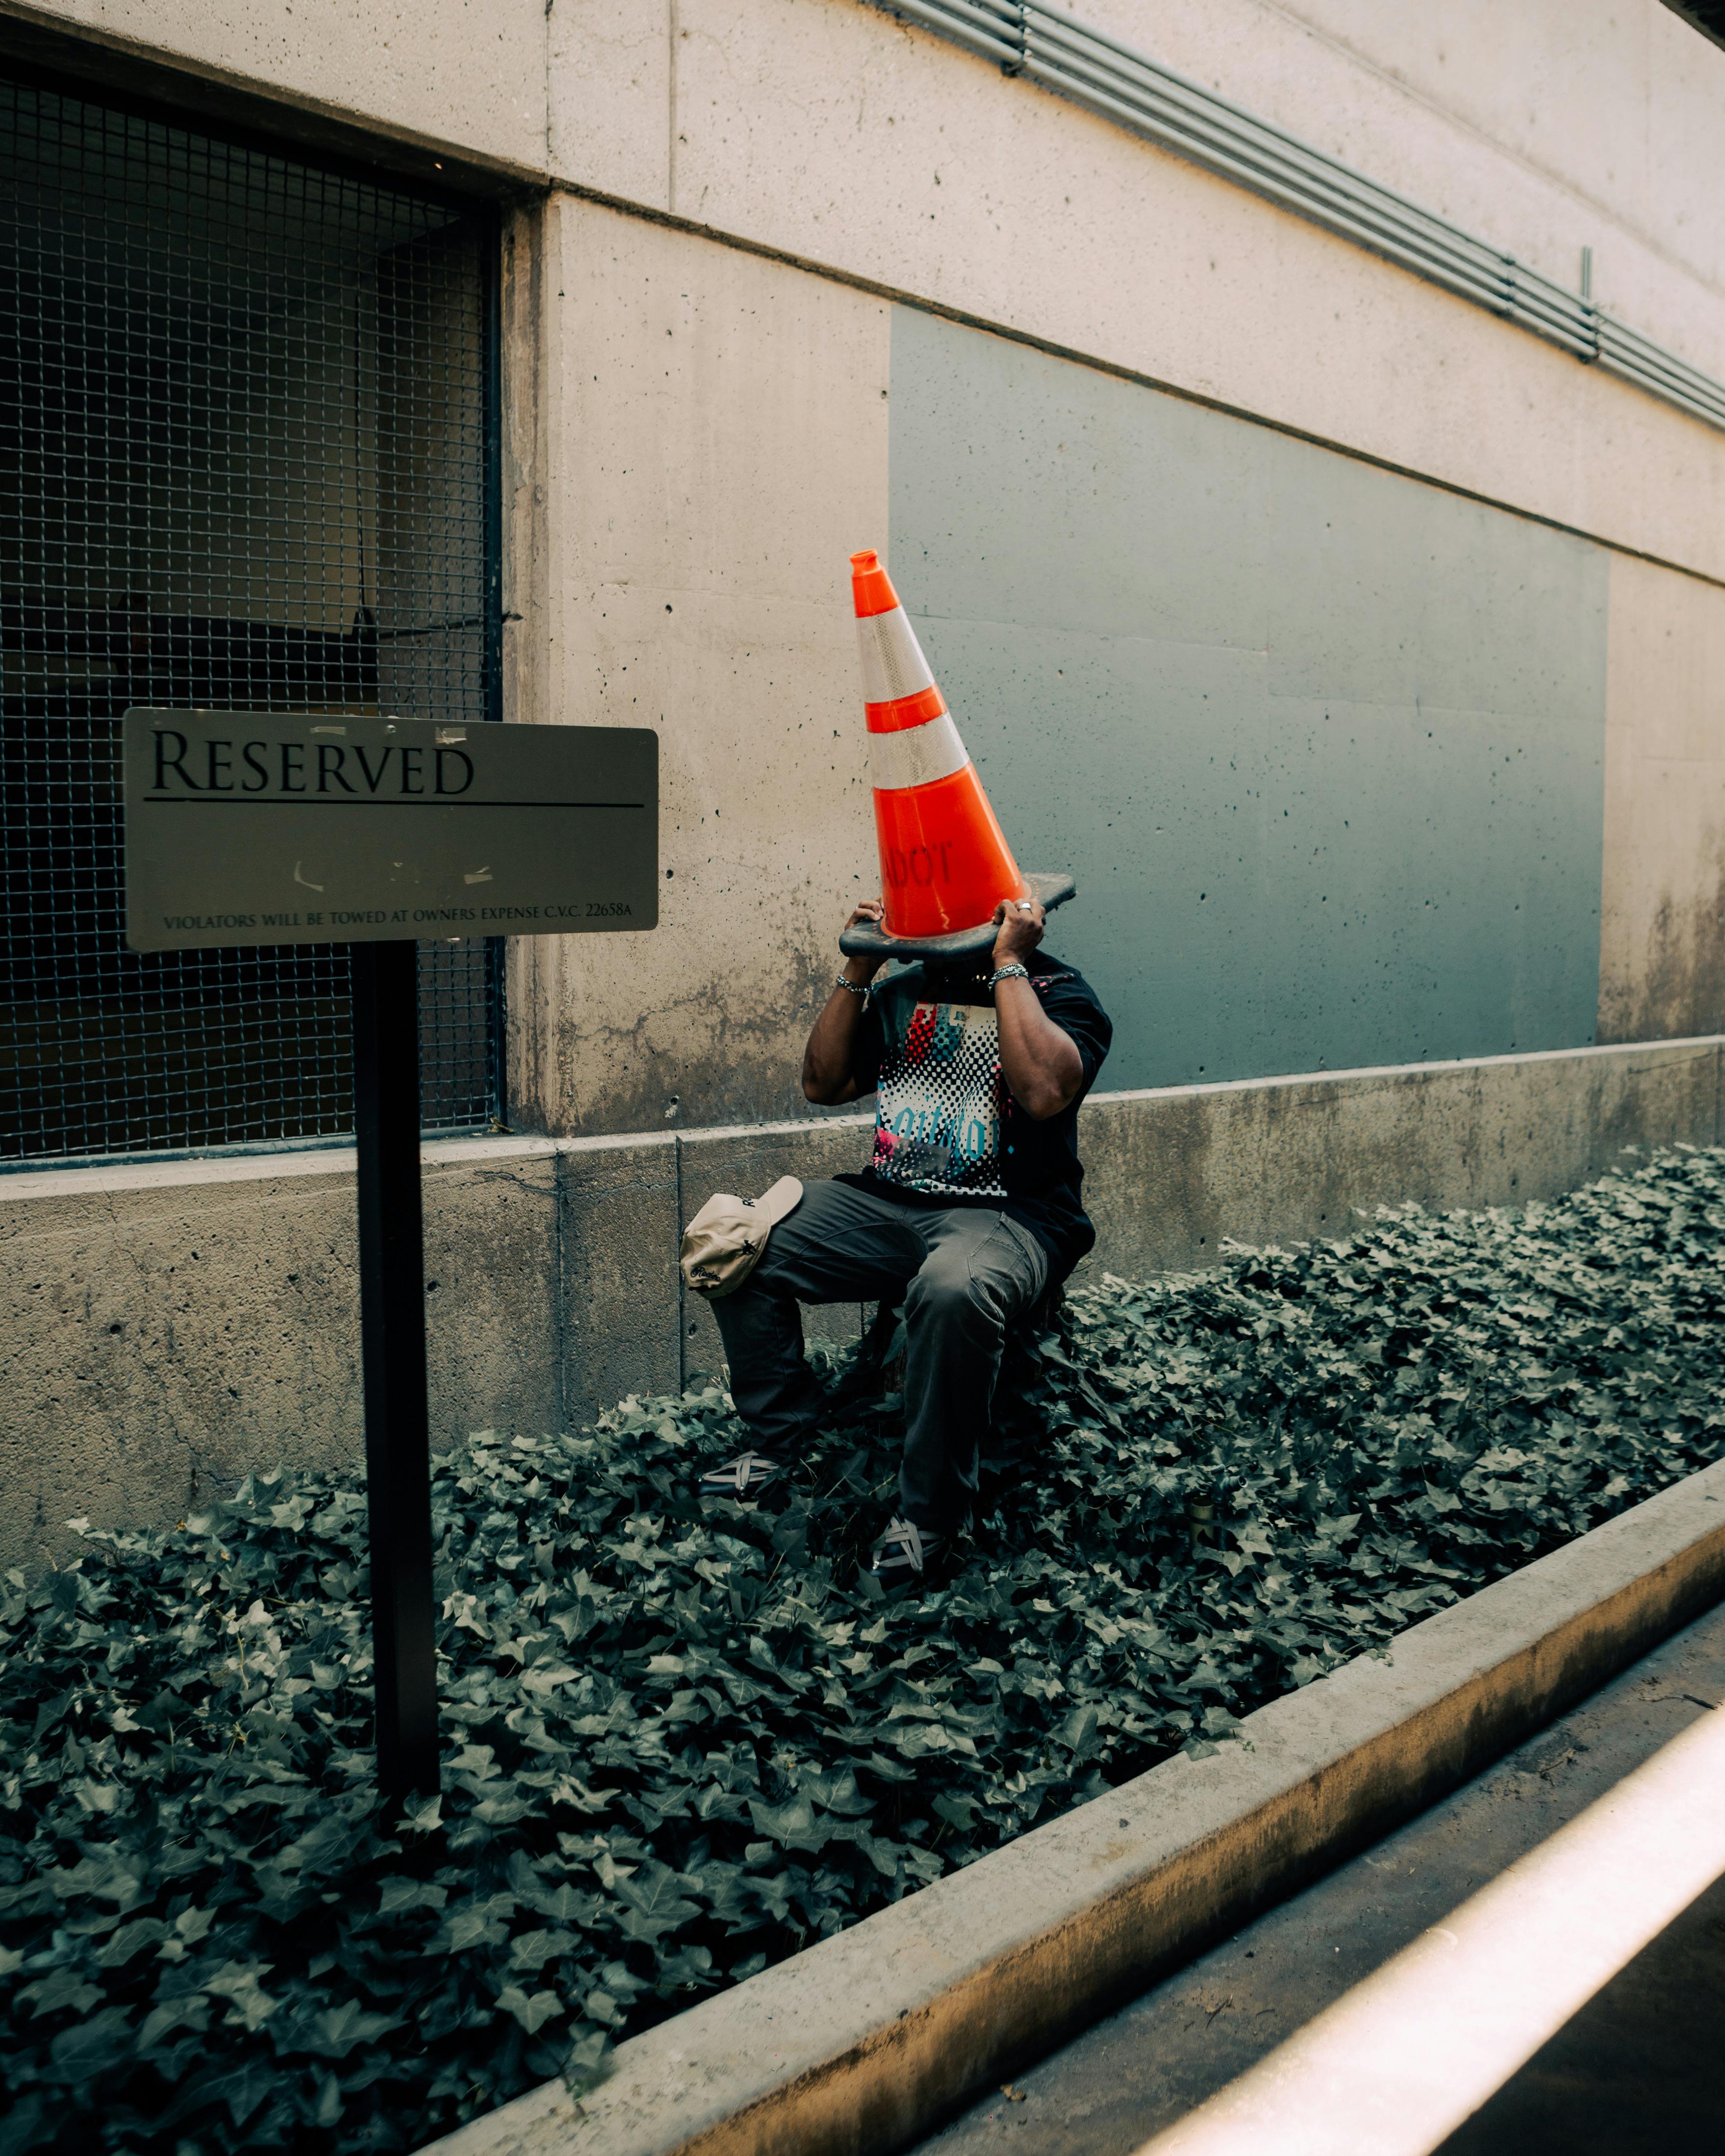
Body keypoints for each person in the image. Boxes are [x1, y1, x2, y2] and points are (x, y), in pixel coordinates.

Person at [700, 891, 1113, 1582]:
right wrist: (857, 969)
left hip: (1010, 1214)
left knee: (953, 1289)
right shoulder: (902, 992)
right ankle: (780, 1436)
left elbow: (1043, 1092)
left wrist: (1008, 964)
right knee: (735, 1236)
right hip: (888, 1201)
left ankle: (930, 1512)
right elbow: (821, 1083)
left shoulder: (1059, 991)